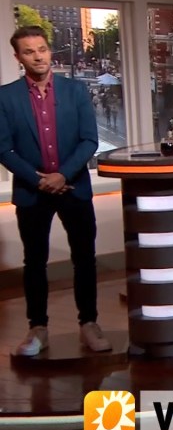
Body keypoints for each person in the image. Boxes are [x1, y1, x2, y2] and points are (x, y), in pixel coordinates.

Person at [0, 26, 111, 357]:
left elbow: (89, 140)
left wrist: (62, 175)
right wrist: (39, 180)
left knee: (84, 258)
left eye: (42, 49)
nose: (38, 56)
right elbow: (3, 148)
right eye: (29, 51)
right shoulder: (5, 97)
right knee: (34, 261)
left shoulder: (75, 91)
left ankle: (89, 324)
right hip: (32, 193)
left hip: (74, 187)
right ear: (18, 57)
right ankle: (38, 329)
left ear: (49, 51)